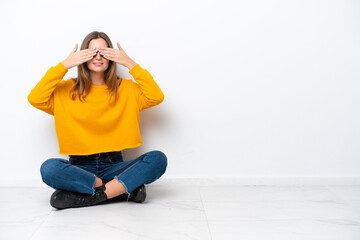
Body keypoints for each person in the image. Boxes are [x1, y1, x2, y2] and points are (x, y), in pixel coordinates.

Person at [27, 31, 167, 210]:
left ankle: (93, 197)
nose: (98, 56)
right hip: (79, 167)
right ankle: (120, 189)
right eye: (92, 52)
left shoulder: (126, 89)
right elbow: (35, 98)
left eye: (104, 51)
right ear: (82, 56)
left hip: (114, 165)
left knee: (157, 159)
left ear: (111, 56)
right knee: (49, 168)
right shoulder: (65, 90)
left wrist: (129, 63)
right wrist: (64, 65)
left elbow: (156, 96)